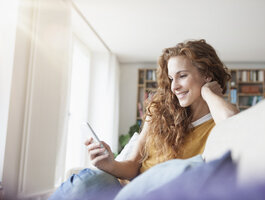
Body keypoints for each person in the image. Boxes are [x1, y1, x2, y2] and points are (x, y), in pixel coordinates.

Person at [49, 39, 239, 200]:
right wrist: (110, 164)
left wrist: (208, 92)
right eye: (172, 79)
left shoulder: (219, 117)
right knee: (86, 181)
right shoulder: (159, 112)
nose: (174, 87)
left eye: (182, 76)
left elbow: (232, 124)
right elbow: (133, 165)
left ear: (207, 75)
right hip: (123, 189)